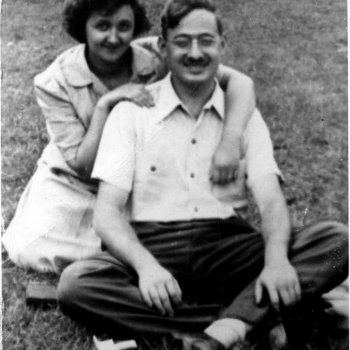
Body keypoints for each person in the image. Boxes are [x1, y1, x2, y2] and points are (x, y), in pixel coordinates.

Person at [57, 1, 348, 349]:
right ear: (162, 48)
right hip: (155, 245)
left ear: (222, 45)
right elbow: (106, 214)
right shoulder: (132, 113)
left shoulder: (243, 117)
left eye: (206, 41)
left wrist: (274, 260)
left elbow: (271, 202)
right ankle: (252, 320)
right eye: (182, 42)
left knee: (336, 240)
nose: (195, 53)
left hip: (230, 248)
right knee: (78, 284)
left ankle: (212, 334)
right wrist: (147, 267)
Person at [2, 0, 256, 274]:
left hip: (137, 179)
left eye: (124, 26)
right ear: (83, 29)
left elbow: (242, 84)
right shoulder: (53, 82)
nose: (113, 37)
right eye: (102, 26)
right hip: (75, 184)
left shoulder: (156, 57)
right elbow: (84, 167)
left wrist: (229, 143)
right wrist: (105, 105)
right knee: (35, 246)